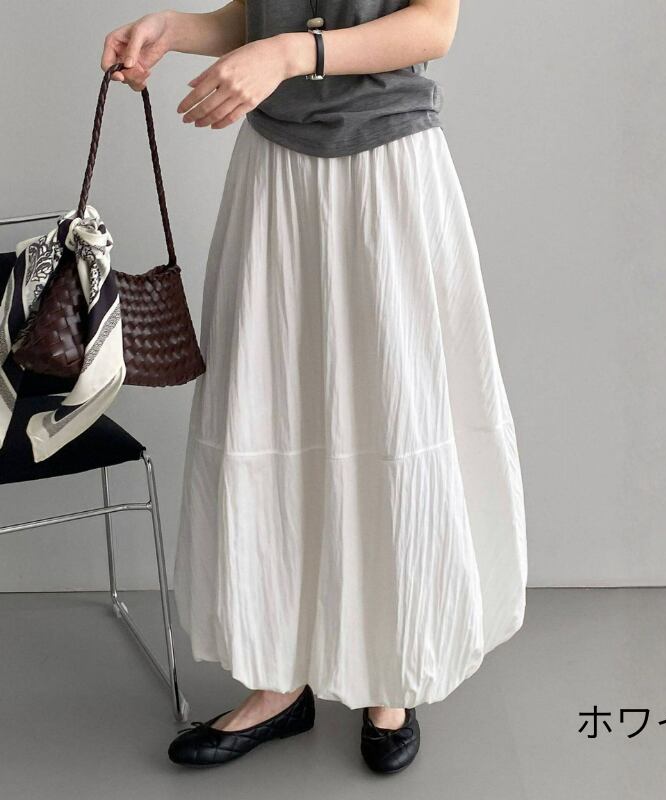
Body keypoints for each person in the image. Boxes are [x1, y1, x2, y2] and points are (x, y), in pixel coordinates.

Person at [101, 0, 527, 775]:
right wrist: (177, 31)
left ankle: (390, 678)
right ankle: (277, 682)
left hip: (386, 173)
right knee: (270, 415)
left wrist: (293, 54)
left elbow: (434, 26)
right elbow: (260, 14)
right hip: (275, 172)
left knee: (390, 419)